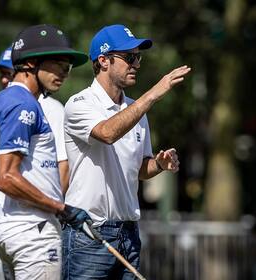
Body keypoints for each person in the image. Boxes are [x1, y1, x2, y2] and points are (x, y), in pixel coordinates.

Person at [62, 24, 191, 279]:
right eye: (129, 58)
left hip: (129, 233)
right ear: (103, 60)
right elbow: (108, 133)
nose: (137, 65)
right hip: (90, 233)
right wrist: (153, 94)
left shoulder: (136, 110)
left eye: (138, 58)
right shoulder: (79, 103)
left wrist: (159, 164)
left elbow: (140, 169)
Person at [0, 24, 90, 279]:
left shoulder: (2, 98)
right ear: (30, 63)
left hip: (12, 230)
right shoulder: (23, 104)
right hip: (33, 231)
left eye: (68, 67)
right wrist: (58, 207)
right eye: (57, 64)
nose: (64, 73)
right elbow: (6, 177)